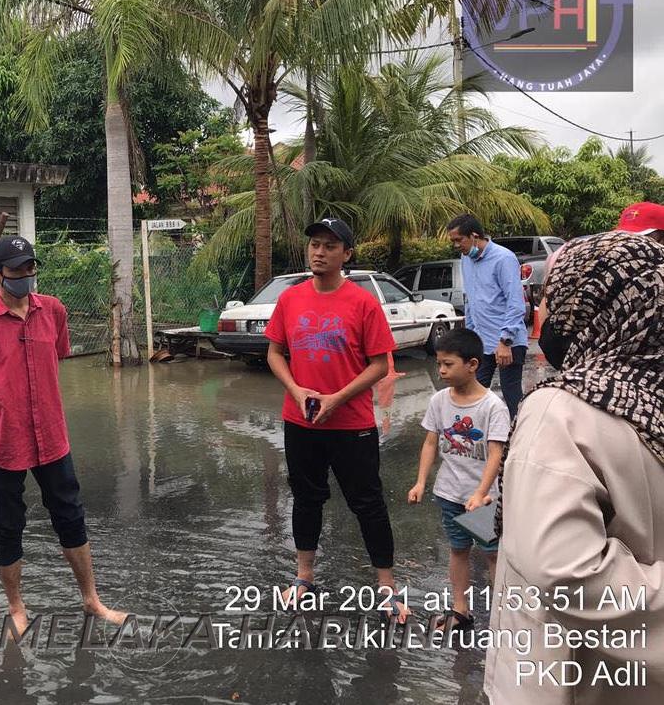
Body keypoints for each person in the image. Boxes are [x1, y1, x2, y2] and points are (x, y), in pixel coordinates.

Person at [485, 232, 664, 704]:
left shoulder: (558, 412)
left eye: (552, 299)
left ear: (590, 309)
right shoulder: (650, 401)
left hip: (567, 678)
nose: (544, 314)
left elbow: (563, 569)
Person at [0, 236, 126, 635]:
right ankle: (16, 606)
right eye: (17, 270)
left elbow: (56, 359)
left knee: (70, 514)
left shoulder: (53, 311)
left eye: (31, 268)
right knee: (8, 522)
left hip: (51, 436)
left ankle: (92, 600)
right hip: (4, 441)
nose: (26, 276)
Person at [264, 218, 410, 621]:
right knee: (306, 497)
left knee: (368, 502)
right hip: (301, 420)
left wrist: (337, 398)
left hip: (352, 424)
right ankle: (304, 576)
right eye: (314, 244)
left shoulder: (363, 303)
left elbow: (380, 364)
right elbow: (275, 353)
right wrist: (298, 392)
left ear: (347, 254)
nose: (319, 252)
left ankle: (386, 584)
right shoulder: (291, 299)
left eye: (330, 245)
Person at [407, 328, 509, 634]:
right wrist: (421, 482)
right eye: (439, 363)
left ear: (473, 364)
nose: (441, 371)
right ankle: (460, 610)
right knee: (458, 549)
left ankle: (504, 614)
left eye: (448, 364)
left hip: (483, 500)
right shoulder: (439, 401)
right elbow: (429, 443)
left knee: (492, 554)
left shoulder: (492, 407)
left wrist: (480, 494)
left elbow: (495, 455)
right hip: (450, 493)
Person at [446, 214, 528, 419]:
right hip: (482, 343)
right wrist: (470, 338)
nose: (456, 245)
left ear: (474, 236)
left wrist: (505, 341)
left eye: (459, 240)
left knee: (512, 397)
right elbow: (471, 301)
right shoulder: (466, 259)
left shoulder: (504, 258)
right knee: (473, 392)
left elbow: (515, 303)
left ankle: (518, 440)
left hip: (507, 342)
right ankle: (476, 440)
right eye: (453, 241)